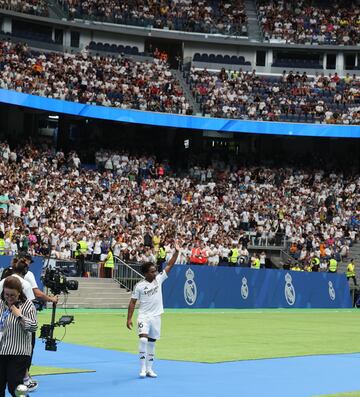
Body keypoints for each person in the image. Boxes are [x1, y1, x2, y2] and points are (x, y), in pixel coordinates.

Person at [126, 241, 180, 378]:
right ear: (145, 273)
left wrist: (177, 252)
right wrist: (129, 318)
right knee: (143, 340)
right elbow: (132, 303)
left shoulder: (159, 279)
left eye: (155, 270)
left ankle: (150, 369)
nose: (155, 273)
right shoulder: (139, 286)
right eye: (152, 271)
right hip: (144, 316)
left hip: (156, 316)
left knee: (151, 343)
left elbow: (170, 265)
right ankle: (142, 369)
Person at [21, 254, 58, 391]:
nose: (29, 264)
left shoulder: (7, 273)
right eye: (28, 262)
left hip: (8, 313)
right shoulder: (28, 274)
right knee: (26, 347)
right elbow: (37, 293)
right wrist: (51, 299)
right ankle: (25, 378)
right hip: (25, 314)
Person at [0, 276, 37, 397]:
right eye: (6, 294)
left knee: (14, 386)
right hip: (2, 351)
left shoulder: (28, 305)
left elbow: (34, 327)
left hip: (19, 352)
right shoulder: (1, 304)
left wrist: (20, 316)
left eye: (13, 295)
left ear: (19, 293)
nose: (9, 298)